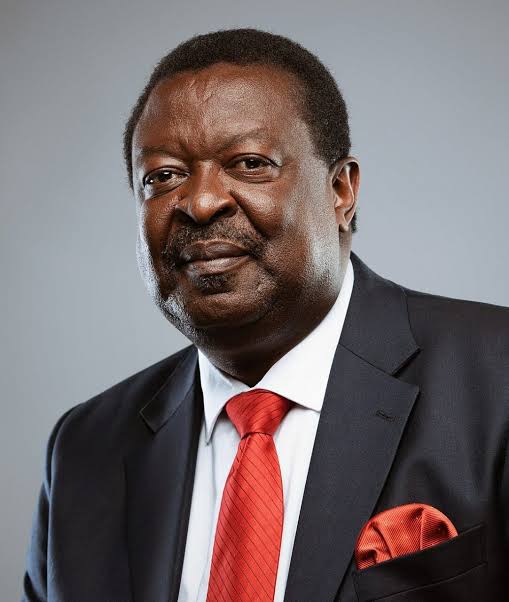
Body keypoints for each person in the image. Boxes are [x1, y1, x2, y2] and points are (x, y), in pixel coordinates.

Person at [22, 28, 508, 602]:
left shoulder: (495, 377)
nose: (201, 202)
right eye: (163, 176)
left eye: (249, 163)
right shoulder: (84, 450)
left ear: (341, 191)